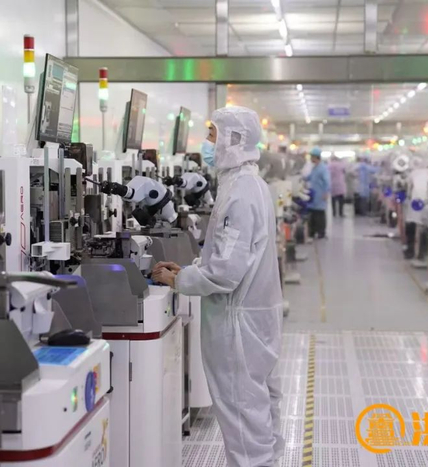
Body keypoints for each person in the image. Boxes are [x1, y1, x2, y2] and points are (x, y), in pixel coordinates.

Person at [152, 106, 284, 467]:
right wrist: (190, 269)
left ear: (233, 139)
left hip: (238, 326)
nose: (207, 143)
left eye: (212, 134)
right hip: (255, 319)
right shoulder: (248, 185)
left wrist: (180, 280)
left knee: (243, 419)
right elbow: (230, 256)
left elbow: (225, 272)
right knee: (258, 412)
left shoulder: (240, 193)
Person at [306, 148, 331, 238]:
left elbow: (327, 182)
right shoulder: (315, 167)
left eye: (311, 157)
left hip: (320, 194)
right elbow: (310, 177)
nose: (310, 158)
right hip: (314, 194)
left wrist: (326, 192)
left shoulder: (323, 168)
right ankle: (312, 231)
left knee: (319, 213)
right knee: (313, 213)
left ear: (315, 157)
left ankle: (321, 232)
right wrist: (302, 178)